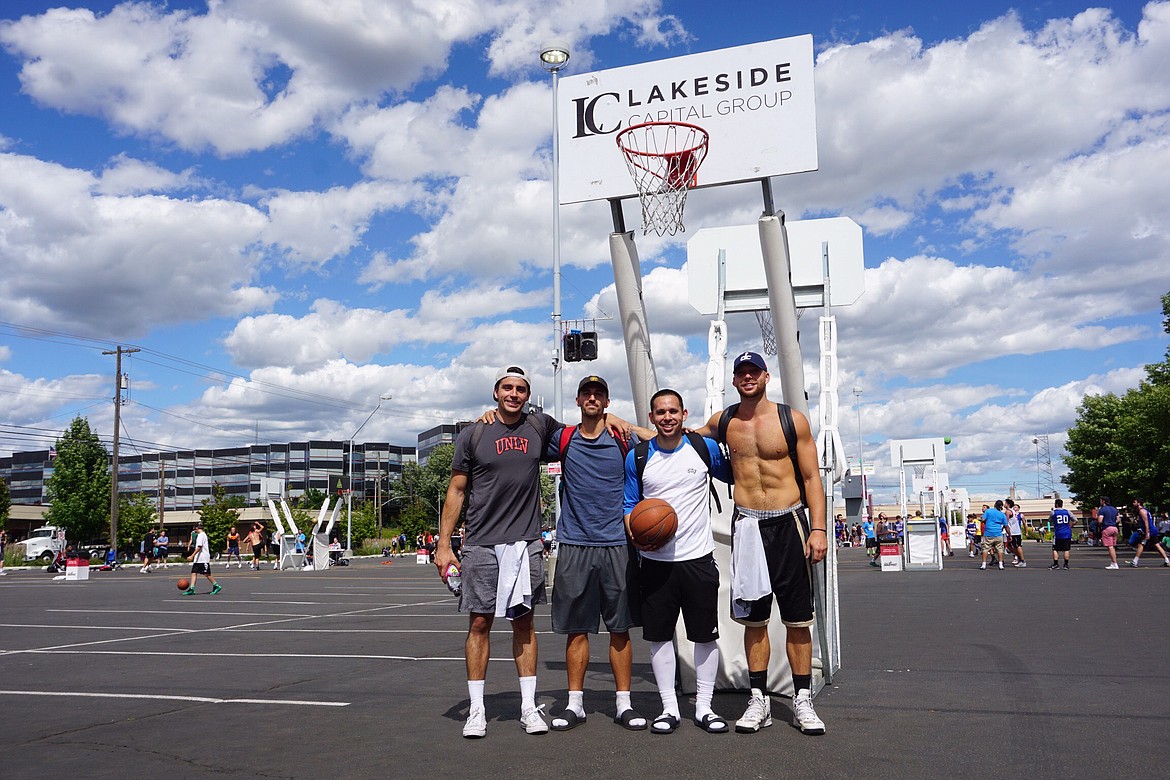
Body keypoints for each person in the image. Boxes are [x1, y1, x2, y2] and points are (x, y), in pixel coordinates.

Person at [694, 351, 828, 736]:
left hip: (789, 523)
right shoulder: (724, 422)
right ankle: (759, 700)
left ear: (766, 377)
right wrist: (621, 424)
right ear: (734, 381)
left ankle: (802, 699)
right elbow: (677, 435)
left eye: (754, 372)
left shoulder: (791, 419)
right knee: (755, 620)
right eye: (741, 373)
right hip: (748, 526)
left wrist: (818, 529)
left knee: (798, 618)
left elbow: (812, 478)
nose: (748, 377)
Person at [433, 365, 560, 739]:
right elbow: (457, 489)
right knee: (479, 623)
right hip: (481, 542)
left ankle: (528, 707)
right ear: (495, 392)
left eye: (521, 389)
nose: (514, 394)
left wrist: (614, 416)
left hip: (524, 541)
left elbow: (584, 427)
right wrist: (444, 544)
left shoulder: (539, 427)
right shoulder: (474, 433)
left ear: (528, 395)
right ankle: (476, 709)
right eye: (508, 388)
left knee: (524, 622)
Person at [625, 388, 731, 735]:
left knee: (704, 636)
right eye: (660, 412)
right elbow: (629, 505)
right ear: (652, 418)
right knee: (659, 638)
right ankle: (669, 707)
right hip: (655, 563)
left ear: (684, 414)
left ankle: (704, 707)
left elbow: (739, 473)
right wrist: (637, 532)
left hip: (698, 559)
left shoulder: (704, 449)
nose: (667, 417)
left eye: (673, 411)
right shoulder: (638, 456)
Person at [546, 375, 646, 733]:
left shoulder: (622, 438)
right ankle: (575, 705)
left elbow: (662, 438)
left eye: (598, 394)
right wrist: (487, 415)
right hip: (575, 545)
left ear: (606, 401)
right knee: (577, 630)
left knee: (620, 630)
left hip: (618, 545)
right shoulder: (564, 439)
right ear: (577, 400)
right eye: (587, 393)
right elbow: (523, 432)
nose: (592, 398)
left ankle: (624, 704)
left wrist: (623, 420)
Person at [1127, 498, 1170, 567]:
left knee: (1141, 545)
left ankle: (1135, 562)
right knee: (1157, 545)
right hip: (1152, 529)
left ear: (1139, 503)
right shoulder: (1144, 510)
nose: (1133, 504)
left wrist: (1147, 532)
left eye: (1134, 502)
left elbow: (1146, 521)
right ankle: (1167, 560)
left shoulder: (1141, 511)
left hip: (1149, 530)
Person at [184, 522, 221, 595]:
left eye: (195, 528)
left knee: (207, 574)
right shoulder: (201, 535)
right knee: (194, 572)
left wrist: (192, 555)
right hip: (198, 559)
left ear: (197, 528)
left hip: (203, 558)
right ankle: (192, 588)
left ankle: (216, 585)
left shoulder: (201, 535)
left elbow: (199, 547)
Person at [981, 500, 1008, 570]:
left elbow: (983, 519)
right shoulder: (1002, 514)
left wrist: (985, 521)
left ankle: (983, 564)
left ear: (995, 504)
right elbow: (1006, 525)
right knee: (1000, 549)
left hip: (988, 533)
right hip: (998, 533)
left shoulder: (988, 511)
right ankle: (1000, 564)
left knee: (985, 549)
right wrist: (1009, 534)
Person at [1048, 499, 1075, 570]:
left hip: (1058, 533)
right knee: (1066, 549)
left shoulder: (1053, 512)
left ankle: (1056, 564)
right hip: (1067, 533)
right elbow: (1075, 520)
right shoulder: (1068, 512)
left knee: (1055, 549)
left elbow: (1049, 520)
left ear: (1056, 504)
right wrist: (1071, 525)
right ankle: (1066, 565)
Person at [1098, 497, 1120, 569]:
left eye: (1101, 501)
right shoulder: (1114, 509)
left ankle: (1114, 563)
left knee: (1110, 547)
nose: (1100, 502)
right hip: (1114, 528)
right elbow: (1118, 519)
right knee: (1112, 546)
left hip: (1107, 528)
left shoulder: (1102, 510)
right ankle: (1112, 562)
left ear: (1103, 501)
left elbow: (1100, 521)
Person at [1004, 499, 1026, 567]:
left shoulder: (1008, 511)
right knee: (1009, 546)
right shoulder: (1012, 511)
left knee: (1017, 546)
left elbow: (1006, 522)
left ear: (1008, 504)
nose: (1004, 504)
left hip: (1014, 532)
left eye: (1005, 503)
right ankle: (1019, 558)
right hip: (1014, 531)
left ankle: (1022, 560)